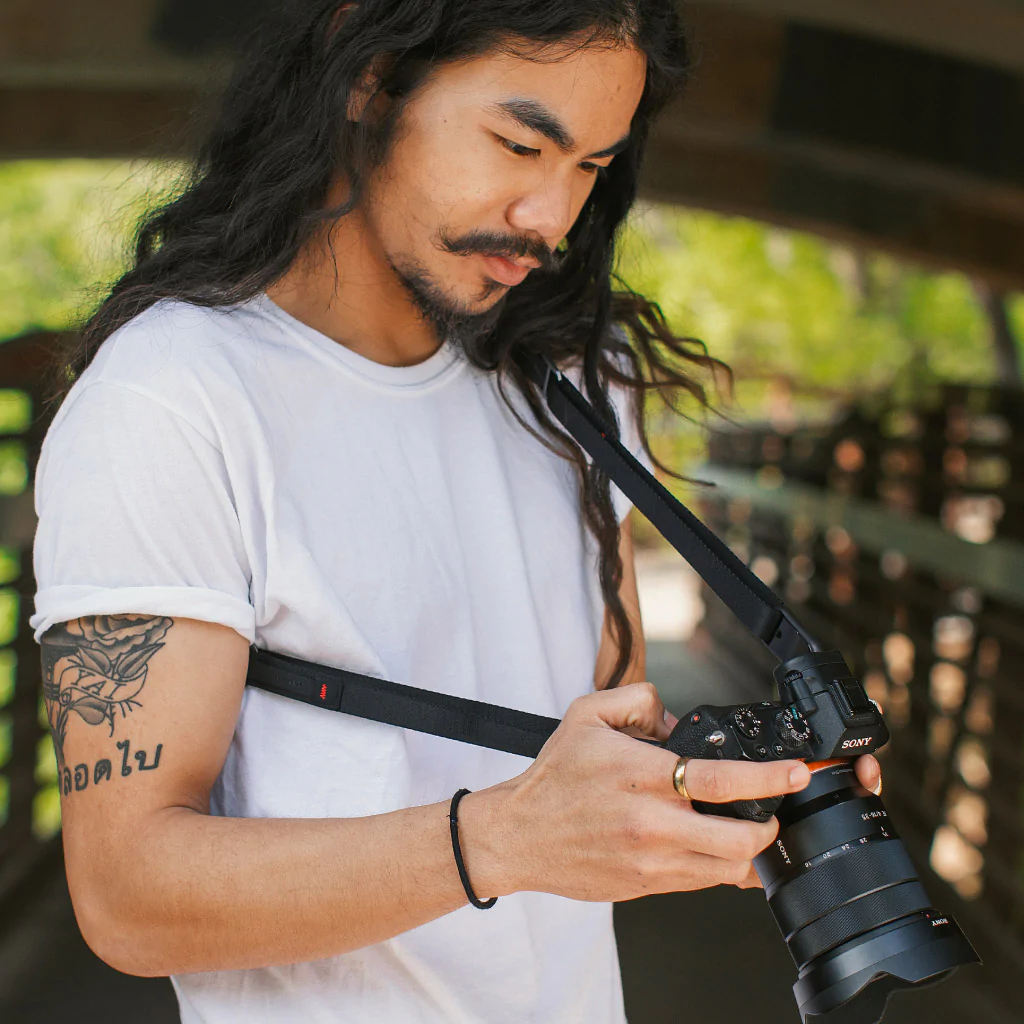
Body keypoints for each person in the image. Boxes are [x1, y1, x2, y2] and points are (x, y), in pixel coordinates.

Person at [32, 2, 882, 1022]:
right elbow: (126, 896)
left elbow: (605, 730)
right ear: (371, 76)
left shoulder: (574, 384)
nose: (550, 215)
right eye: (520, 144)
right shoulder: (174, 398)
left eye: (592, 166)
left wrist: (739, 781)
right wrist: (499, 839)